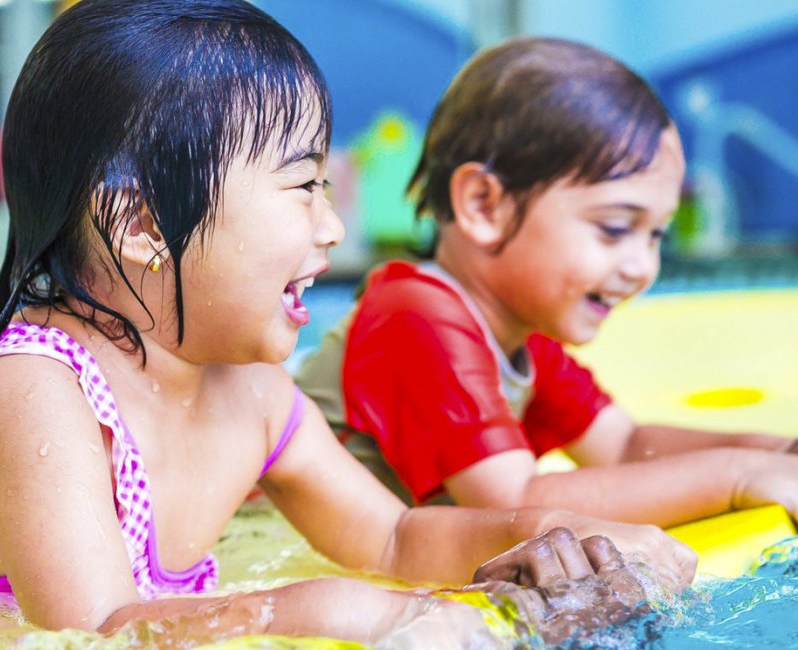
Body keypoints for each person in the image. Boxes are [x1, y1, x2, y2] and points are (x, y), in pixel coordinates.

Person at [0, 3, 694, 646]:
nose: (330, 228)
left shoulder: (251, 391)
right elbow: (98, 629)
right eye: (302, 186)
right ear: (139, 223)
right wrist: (323, 607)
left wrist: (553, 537)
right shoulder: (29, 393)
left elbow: (393, 535)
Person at [296, 37, 798, 529]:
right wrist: (737, 476)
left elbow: (625, 447)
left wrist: (777, 451)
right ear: (483, 205)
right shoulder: (414, 315)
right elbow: (513, 505)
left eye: (656, 236)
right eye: (616, 228)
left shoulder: (522, 336)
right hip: (258, 536)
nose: (644, 267)